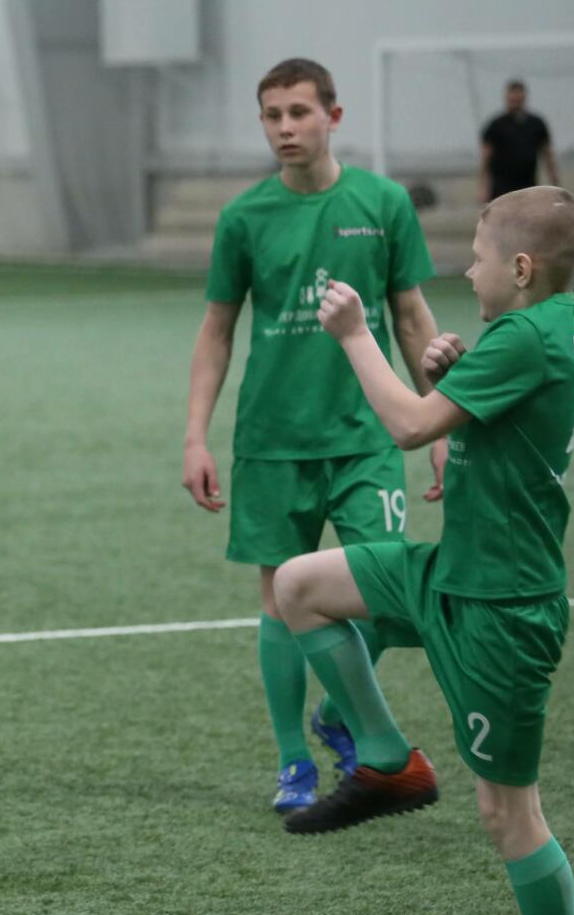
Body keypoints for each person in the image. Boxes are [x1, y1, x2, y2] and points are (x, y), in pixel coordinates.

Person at [273, 185, 574, 915]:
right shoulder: (541, 327)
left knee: (509, 815)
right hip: (450, 572)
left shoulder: (528, 337)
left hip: (503, 609)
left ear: (521, 268)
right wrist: (453, 369)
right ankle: (386, 759)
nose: (466, 271)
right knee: (299, 587)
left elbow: (406, 427)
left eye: (476, 257)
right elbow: (482, 406)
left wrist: (355, 332)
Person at [182, 58, 448, 814]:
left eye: (299, 112)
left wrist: (440, 420)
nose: (285, 128)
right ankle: (293, 762)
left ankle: (338, 712)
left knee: (391, 599)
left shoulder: (383, 203)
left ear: (334, 116)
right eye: (272, 115)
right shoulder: (244, 217)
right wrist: (195, 437)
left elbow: (412, 318)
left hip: (368, 437)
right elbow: (217, 331)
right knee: (277, 598)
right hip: (272, 441)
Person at [480, 79, 560, 203]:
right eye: (513, 99)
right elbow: (485, 159)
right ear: (507, 98)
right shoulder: (496, 125)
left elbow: (548, 156)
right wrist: (483, 188)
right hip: (501, 191)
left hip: (528, 189)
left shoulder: (536, 124)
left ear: (524, 98)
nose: (515, 102)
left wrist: (555, 183)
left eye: (518, 98)